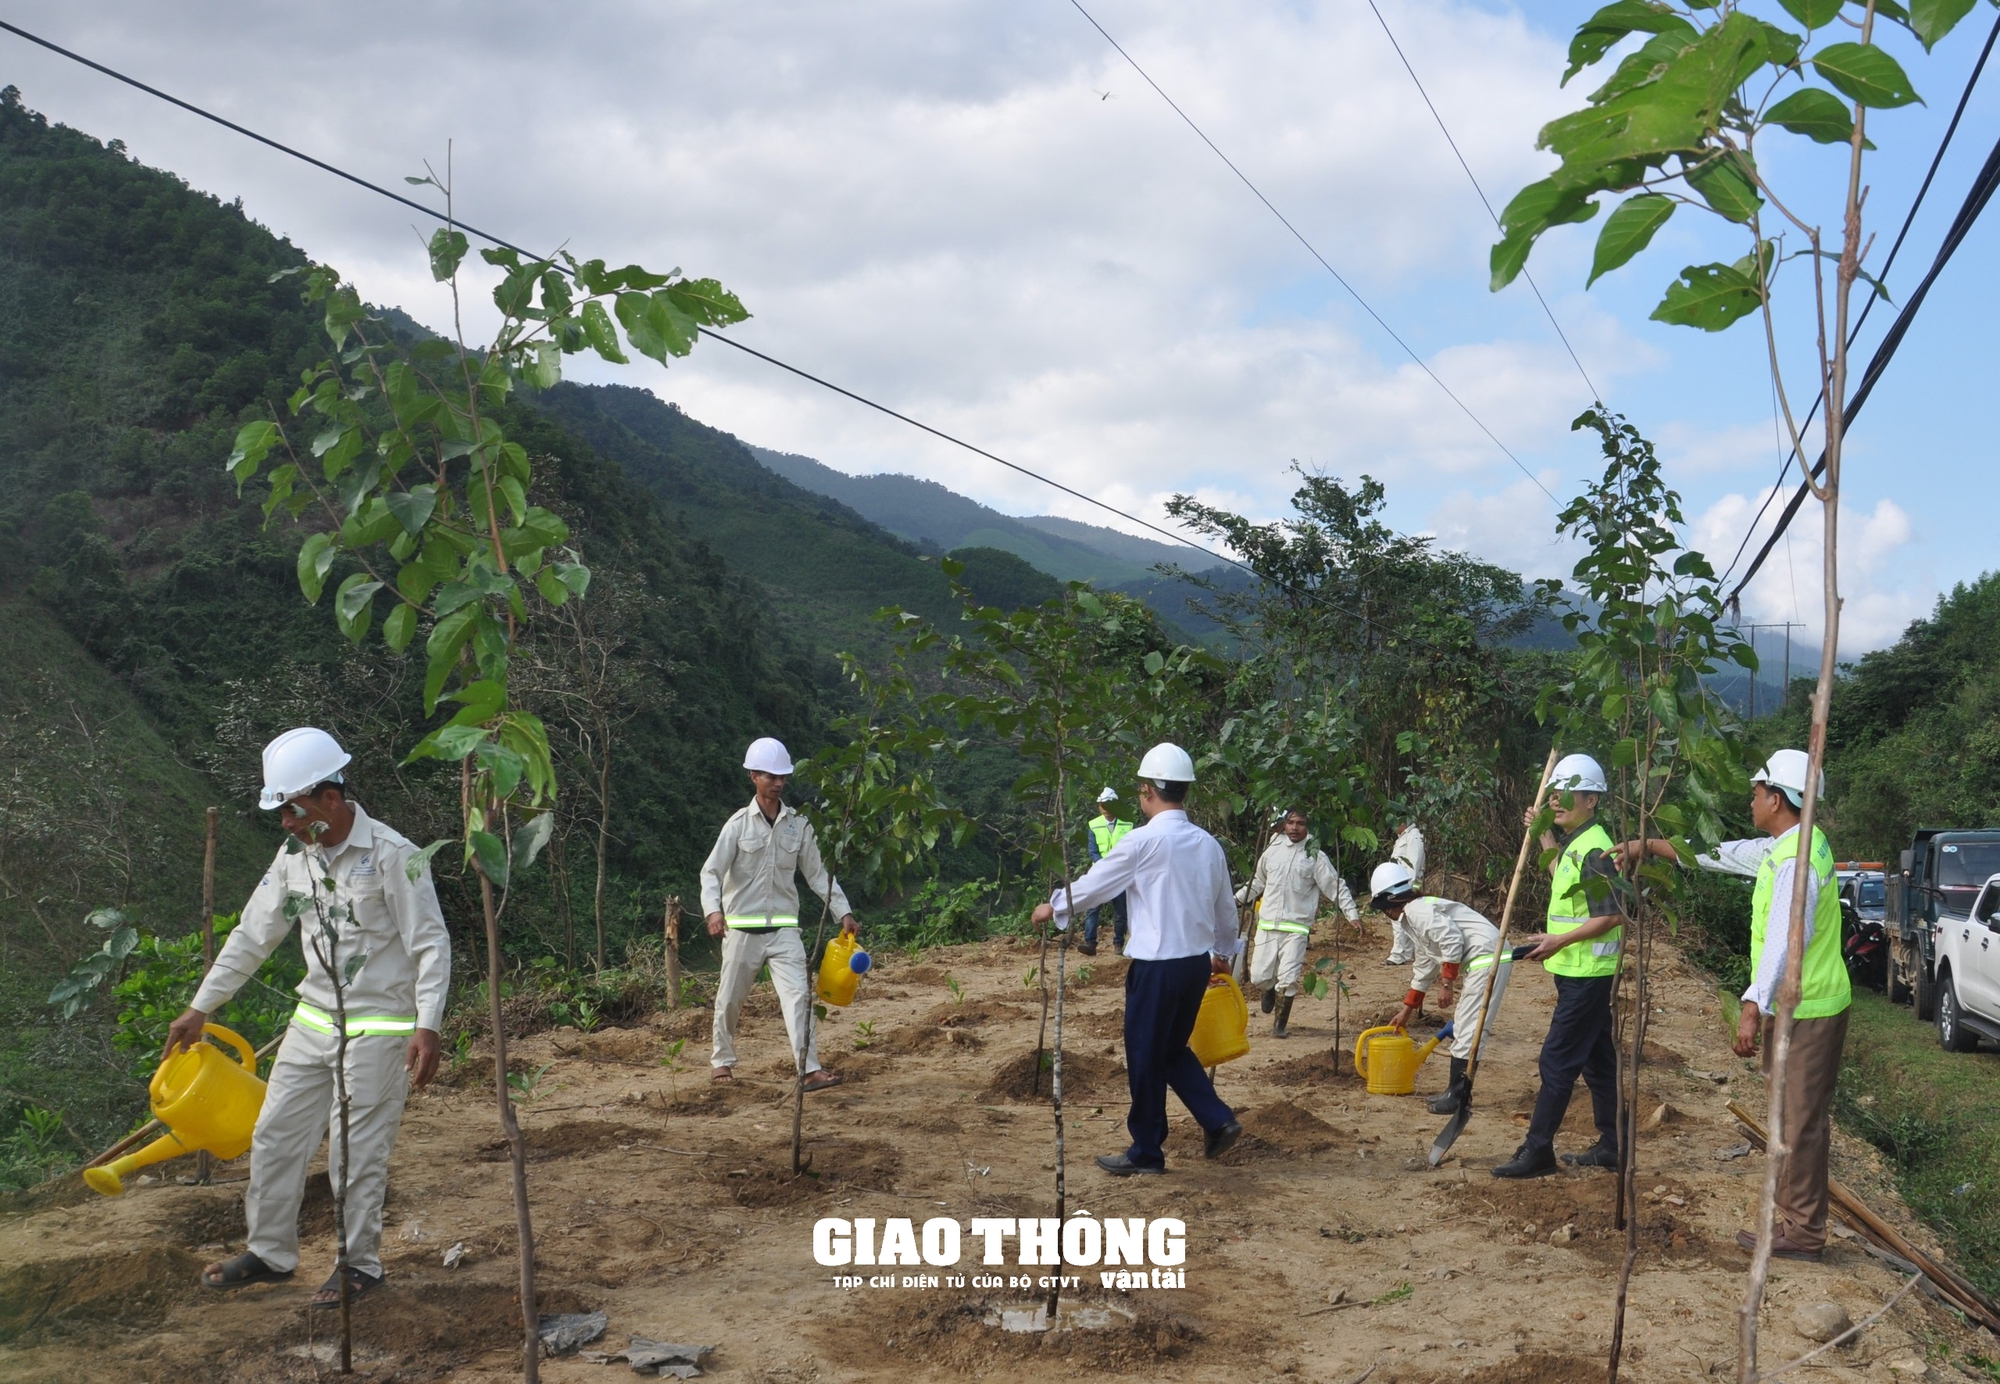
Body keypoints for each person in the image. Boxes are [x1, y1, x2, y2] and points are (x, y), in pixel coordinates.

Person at [165, 728, 450, 1306]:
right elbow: (254, 933)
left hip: (379, 1030)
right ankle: (270, 1253)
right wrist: (202, 1007)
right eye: (282, 813)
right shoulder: (295, 855)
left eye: (293, 809)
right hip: (314, 1019)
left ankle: (358, 1266)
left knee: (354, 1152)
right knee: (274, 1138)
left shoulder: (394, 856)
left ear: (331, 799)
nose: (288, 824)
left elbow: (430, 945)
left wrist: (428, 1025)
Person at [1621, 749, 1849, 1261]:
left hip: (1807, 1009)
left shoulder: (1796, 863)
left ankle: (1804, 1234)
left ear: (1777, 799)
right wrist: (1650, 846)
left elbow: (1787, 942)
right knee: (1792, 1117)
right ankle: (1794, 1222)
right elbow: (1723, 853)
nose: (1750, 800)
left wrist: (1751, 1003)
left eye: (1755, 792)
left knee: (1799, 1122)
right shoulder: (1787, 846)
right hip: (1800, 1007)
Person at [1032, 743, 1243, 1176]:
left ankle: (1147, 1151)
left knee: (1146, 1055)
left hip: (1158, 968)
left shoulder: (1143, 841)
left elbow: (1096, 884)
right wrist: (1223, 954)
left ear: (1148, 791)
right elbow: (1227, 909)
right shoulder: (1208, 844)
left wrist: (1054, 907)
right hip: (1194, 966)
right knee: (1169, 1050)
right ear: (1184, 791)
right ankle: (1218, 1119)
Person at [1492, 753, 1625, 1179]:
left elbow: (1613, 915)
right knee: (1599, 1061)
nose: (1558, 801)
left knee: (1557, 1060)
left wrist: (1559, 940)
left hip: (1588, 974)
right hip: (1574, 971)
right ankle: (1612, 1146)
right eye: (1555, 794)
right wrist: (1545, 835)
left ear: (1593, 799)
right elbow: (1559, 878)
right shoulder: (1576, 845)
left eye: (1569, 794)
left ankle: (1538, 1149)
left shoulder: (1597, 850)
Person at [702, 737, 856, 1090]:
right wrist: (714, 912)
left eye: (783, 776)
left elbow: (817, 874)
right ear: (754, 776)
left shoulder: (798, 825)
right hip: (741, 929)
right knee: (729, 999)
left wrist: (842, 912)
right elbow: (711, 871)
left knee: (799, 997)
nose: (779, 782)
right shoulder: (738, 825)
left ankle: (809, 1069)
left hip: (785, 930)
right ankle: (722, 1062)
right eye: (771, 776)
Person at [1369, 861, 1498, 1115]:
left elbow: (1451, 938)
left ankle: (1459, 1096)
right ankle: (1454, 1091)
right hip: (1482, 958)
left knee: (1469, 1027)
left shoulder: (1418, 911)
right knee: (1463, 1025)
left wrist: (1447, 983)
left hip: (1487, 957)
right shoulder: (1415, 915)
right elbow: (1426, 962)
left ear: (1390, 901)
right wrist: (1407, 1009)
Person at [1237, 808, 1358, 1038]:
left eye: (1300, 823)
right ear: (1284, 824)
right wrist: (1238, 899)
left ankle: (1279, 1026)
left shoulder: (1315, 856)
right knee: (1260, 977)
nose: (1294, 827)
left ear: (1308, 826)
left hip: (1296, 929)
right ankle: (1268, 990)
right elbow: (1258, 880)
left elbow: (1335, 886)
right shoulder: (1272, 849)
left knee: (1289, 979)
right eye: (1290, 822)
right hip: (1268, 925)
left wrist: (1352, 915)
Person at [1080, 787, 1134, 957]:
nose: (1105, 808)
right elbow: (1093, 851)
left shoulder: (1128, 823)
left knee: (1120, 911)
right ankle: (1090, 943)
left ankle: (1118, 944)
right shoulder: (1094, 825)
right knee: (1092, 908)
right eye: (1102, 804)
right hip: (1100, 873)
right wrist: (1104, 867)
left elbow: (1132, 848)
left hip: (1120, 874)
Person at [1382, 814, 1427, 967]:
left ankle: (1398, 954)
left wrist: (1407, 889)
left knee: (1400, 919)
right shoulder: (1402, 839)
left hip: (1405, 885)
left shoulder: (1414, 837)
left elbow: (1413, 864)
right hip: (1397, 883)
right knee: (1403, 920)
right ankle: (1405, 953)